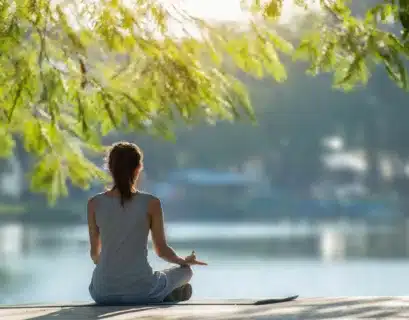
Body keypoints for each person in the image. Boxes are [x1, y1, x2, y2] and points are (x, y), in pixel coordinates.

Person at [87, 141, 207, 305]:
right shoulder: (151, 203)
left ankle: (164, 294)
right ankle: (165, 294)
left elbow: (95, 255)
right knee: (186, 272)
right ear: (138, 168)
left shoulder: (94, 203)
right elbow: (162, 251)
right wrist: (184, 261)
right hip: (141, 291)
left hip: (102, 293)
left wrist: (112, 268)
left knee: (102, 276)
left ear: (109, 168)